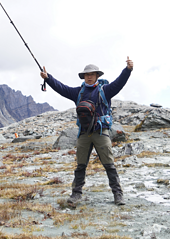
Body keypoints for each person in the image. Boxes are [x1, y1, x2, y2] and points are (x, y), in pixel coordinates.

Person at [40, 57, 134, 206]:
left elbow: (119, 83)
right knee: (80, 165)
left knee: (109, 164)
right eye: (86, 74)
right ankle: (76, 194)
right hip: (84, 134)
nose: (89, 77)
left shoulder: (105, 90)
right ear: (84, 77)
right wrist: (48, 78)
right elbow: (61, 88)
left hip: (101, 132)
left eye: (92, 74)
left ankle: (118, 194)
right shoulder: (78, 92)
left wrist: (128, 70)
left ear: (97, 76)